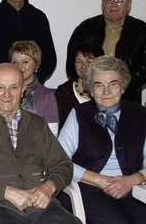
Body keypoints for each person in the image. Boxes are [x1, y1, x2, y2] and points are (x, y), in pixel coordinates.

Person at [0, 63, 79, 224]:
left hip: (42, 207)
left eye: (14, 87)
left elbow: (63, 164)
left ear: (22, 90)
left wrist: (48, 188)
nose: (6, 94)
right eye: (0, 87)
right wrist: (7, 192)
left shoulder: (37, 124)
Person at [58, 56, 146, 223]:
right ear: (91, 88)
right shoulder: (79, 113)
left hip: (134, 188)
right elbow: (60, 160)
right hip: (90, 188)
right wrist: (100, 181)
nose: (106, 91)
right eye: (99, 85)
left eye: (113, 84)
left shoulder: (141, 115)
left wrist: (133, 179)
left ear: (123, 87)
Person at [67, 0, 146, 104]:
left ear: (129, 4)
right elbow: (72, 64)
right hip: (89, 98)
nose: (114, 4)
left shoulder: (142, 30)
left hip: (127, 99)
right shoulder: (86, 28)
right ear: (102, 4)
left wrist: (121, 83)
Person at [9, 40, 59, 136]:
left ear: (37, 64)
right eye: (15, 62)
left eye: (25, 62)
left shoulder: (46, 96)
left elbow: (52, 135)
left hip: (38, 148)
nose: (19, 67)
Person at [55, 42, 104, 129]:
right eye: (78, 62)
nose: (83, 66)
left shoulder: (107, 92)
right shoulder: (63, 92)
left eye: (89, 62)